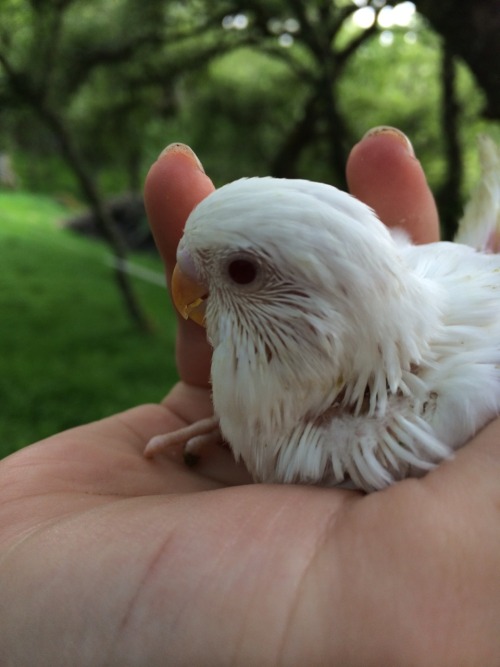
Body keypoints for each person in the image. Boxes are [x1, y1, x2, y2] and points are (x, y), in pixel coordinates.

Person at [1, 128, 499, 666]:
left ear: (325, 323)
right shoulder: (347, 333)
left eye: (241, 271)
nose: (185, 281)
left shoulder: (415, 428)